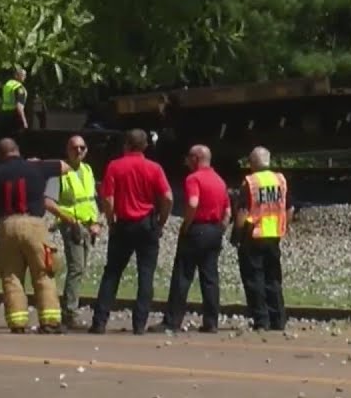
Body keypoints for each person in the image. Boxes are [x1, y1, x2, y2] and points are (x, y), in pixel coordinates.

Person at [89, 129, 173, 335]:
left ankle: (100, 321)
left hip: (124, 224)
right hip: (147, 224)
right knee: (146, 275)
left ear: (126, 144)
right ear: (145, 146)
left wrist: (111, 221)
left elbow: (107, 199)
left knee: (112, 273)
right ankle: (139, 324)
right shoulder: (154, 168)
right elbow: (168, 198)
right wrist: (161, 221)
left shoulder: (115, 166)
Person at [0, 138, 67, 333]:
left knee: (11, 276)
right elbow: (65, 167)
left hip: (7, 225)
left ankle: (17, 322)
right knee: (43, 272)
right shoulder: (37, 167)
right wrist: (37, 162)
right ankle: (49, 321)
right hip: (34, 224)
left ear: (0, 154)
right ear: (18, 150)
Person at [154, 145, 229, 333]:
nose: (186, 161)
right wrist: (220, 228)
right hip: (214, 230)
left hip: (197, 229)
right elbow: (227, 212)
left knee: (183, 275)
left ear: (196, 158)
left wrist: (187, 224)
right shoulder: (220, 181)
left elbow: (193, 202)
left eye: (188, 157)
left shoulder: (193, 179)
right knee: (210, 277)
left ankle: (172, 320)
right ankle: (211, 321)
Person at [47, 135, 102, 329]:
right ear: (67, 150)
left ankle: (69, 310)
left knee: (81, 268)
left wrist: (96, 222)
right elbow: (49, 202)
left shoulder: (87, 170)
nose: (78, 151)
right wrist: (67, 219)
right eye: (74, 148)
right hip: (72, 225)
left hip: (87, 225)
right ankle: (70, 313)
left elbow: (91, 199)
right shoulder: (60, 172)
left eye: (82, 148)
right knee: (76, 268)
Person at [235, 146, 289, 332]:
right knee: (273, 278)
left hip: (254, 234)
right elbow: (288, 207)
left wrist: (236, 235)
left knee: (254, 279)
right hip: (274, 234)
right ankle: (278, 319)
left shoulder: (250, 182)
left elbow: (242, 212)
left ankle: (261, 320)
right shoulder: (280, 179)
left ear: (253, 163)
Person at [0, 68, 29, 140]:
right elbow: (19, 106)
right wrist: (24, 122)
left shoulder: (7, 85)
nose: (25, 77)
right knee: (15, 140)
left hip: (4, 115)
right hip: (14, 117)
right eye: (23, 75)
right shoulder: (19, 88)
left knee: (5, 139)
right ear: (17, 76)